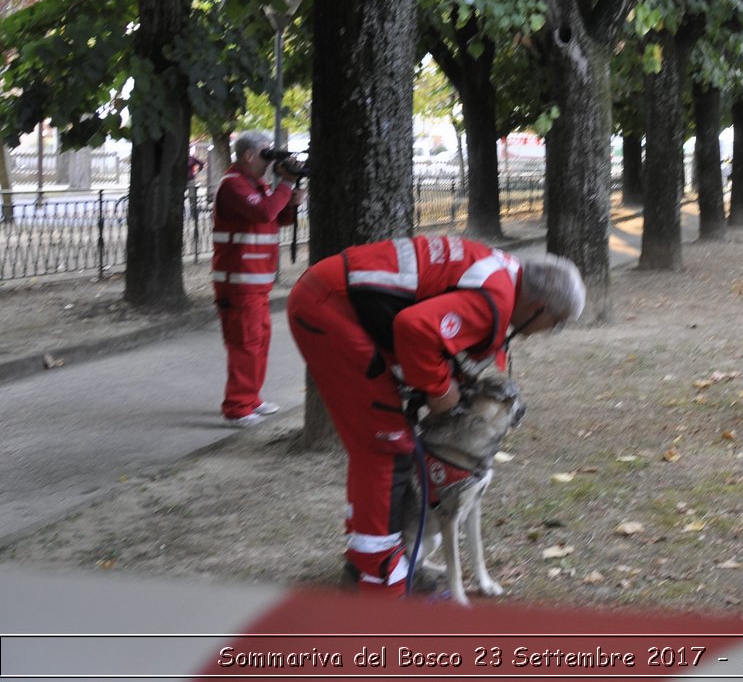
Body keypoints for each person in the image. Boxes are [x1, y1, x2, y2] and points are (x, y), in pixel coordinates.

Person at [287, 238, 585, 596]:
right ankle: (380, 582)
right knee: (386, 446)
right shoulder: (493, 301)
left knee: (390, 441)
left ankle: (375, 562)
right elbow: (416, 329)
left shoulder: (504, 276)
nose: (552, 332)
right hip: (330, 308)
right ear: (538, 308)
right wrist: (441, 390)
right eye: (557, 323)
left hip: (334, 297)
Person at [211, 130, 302, 427]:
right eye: (266, 153)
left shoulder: (256, 184)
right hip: (238, 282)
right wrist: (286, 185)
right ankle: (236, 407)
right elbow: (263, 213)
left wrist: (291, 202)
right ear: (248, 155)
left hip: (256, 282)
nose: (269, 160)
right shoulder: (233, 185)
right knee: (245, 344)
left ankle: (251, 398)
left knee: (259, 341)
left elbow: (275, 219)